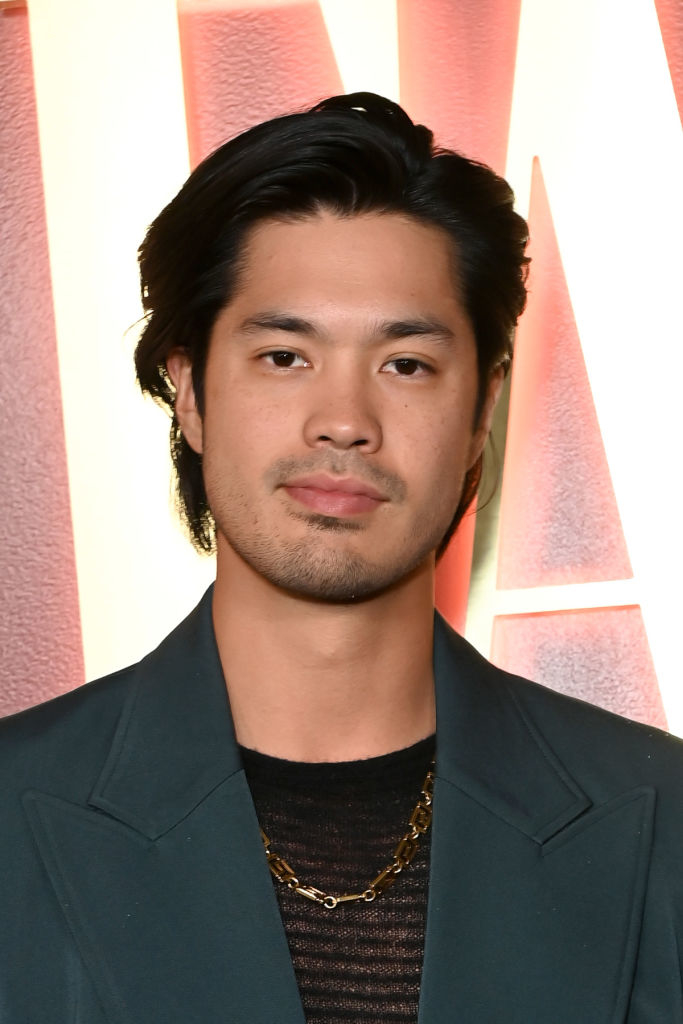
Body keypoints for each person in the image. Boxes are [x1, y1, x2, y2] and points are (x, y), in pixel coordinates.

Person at [1, 93, 682, 1024]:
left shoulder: (662, 818)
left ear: (480, 412)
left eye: (406, 365)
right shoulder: (15, 807)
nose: (344, 423)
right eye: (285, 356)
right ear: (189, 392)